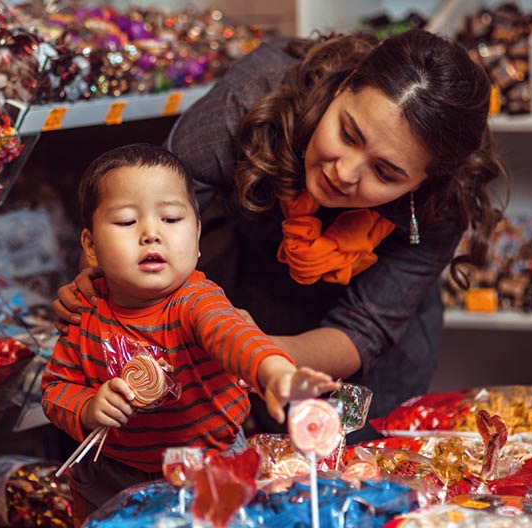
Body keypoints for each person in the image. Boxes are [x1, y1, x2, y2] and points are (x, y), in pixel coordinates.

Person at [53, 29, 508, 439]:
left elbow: (365, 328)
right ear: (343, 87)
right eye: (348, 134)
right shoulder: (245, 109)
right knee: (270, 453)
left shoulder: (441, 203)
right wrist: (102, 294)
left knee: (356, 455)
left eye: (385, 172)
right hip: (259, 291)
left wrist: (256, 356)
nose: (344, 173)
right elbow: (137, 202)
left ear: (422, 183)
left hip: (359, 353)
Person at [41, 143, 339, 525]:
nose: (151, 233)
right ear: (91, 247)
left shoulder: (196, 301)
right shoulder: (85, 312)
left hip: (210, 465)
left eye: (170, 219)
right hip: (111, 473)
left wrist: (274, 371)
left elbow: (233, 336)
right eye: (127, 222)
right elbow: (54, 388)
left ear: (197, 236)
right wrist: (86, 408)